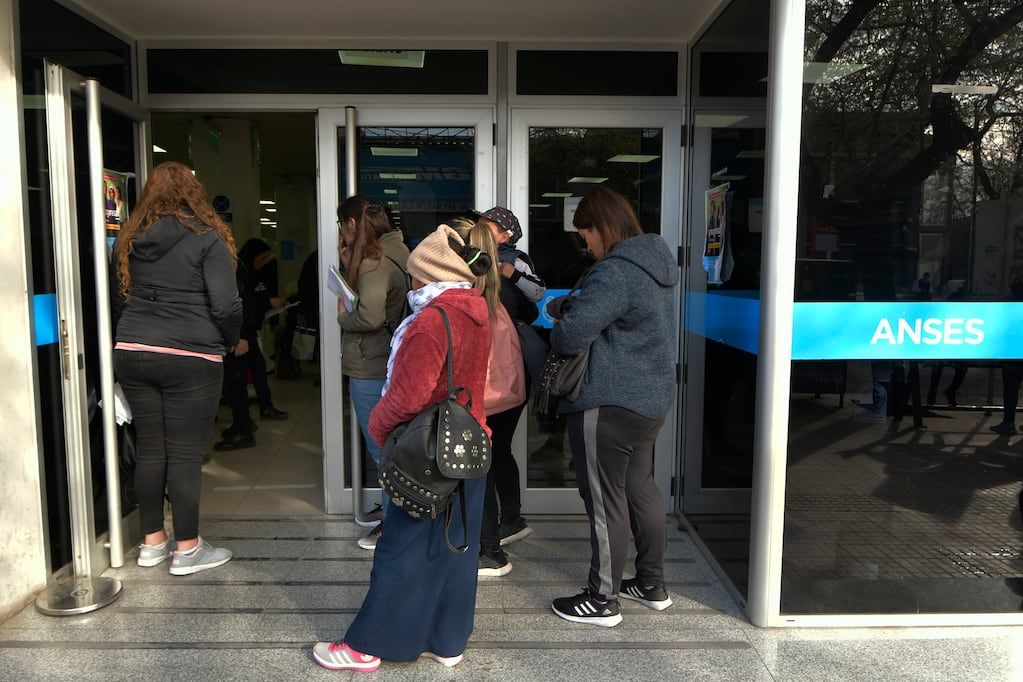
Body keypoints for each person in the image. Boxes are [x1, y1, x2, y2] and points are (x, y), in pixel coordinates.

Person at [312, 224, 492, 672]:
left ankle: (367, 645)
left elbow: (408, 397)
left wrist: (377, 427)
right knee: (456, 550)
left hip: (424, 456)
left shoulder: (431, 321)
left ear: (425, 276)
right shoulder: (476, 311)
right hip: (468, 448)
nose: (409, 283)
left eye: (413, 275)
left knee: (400, 549)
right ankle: (447, 642)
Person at [546, 187, 678, 627]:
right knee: (641, 489)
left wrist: (565, 315)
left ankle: (602, 599)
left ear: (602, 227)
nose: (586, 245)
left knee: (604, 501)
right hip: (649, 403)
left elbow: (569, 337)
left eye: (586, 234)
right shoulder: (655, 265)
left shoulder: (615, 272)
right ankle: (650, 583)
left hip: (608, 403)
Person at [111, 160, 241, 575]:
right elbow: (225, 304)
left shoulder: (128, 238)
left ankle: (152, 543)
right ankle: (187, 549)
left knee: (151, 448)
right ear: (193, 194)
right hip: (191, 354)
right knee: (184, 454)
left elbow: (119, 299)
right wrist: (228, 339)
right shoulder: (208, 236)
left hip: (133, 348)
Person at [449, 215, 531, 578]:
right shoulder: (501, 291)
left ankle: (490, 551)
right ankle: (508, 522)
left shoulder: (469, 298)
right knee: (496, 457)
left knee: (476, 468)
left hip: (485, 395)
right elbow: (531, 311)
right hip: (509, 392)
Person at [336, 196, 411, 549]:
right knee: (390, 441)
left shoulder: (373, 262)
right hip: (390, 360)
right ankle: (397, 512)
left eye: (342, 226)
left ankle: (393, 524)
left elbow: (369, 316)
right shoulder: (398, 251)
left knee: (380, 445)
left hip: (370, 362)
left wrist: (342, 316)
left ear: (351, 225)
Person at [215, 238, 289, 451]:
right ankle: (243, 423)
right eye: (263, 258)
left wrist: (239, 336)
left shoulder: (241, 273)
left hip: (241, 335)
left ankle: (243, 427)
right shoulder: (239, 271)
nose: (265, 262)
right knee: (238, 379)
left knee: (237, 380)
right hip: (242, 334)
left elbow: (243, 305)